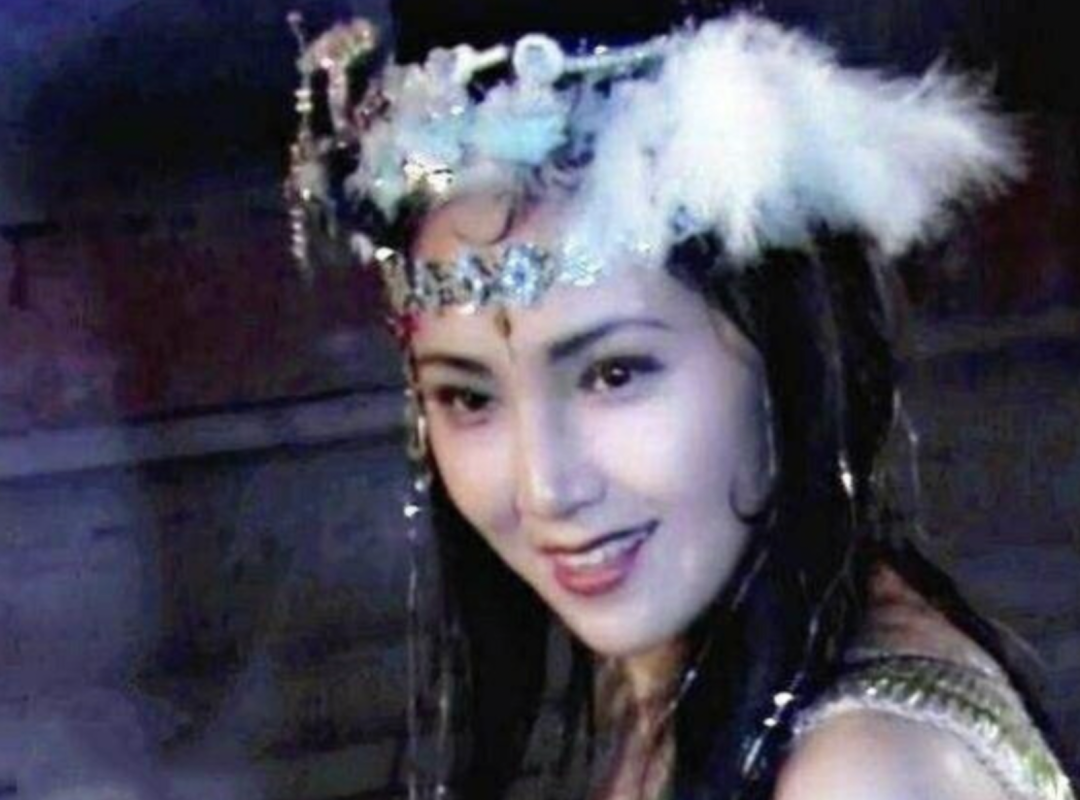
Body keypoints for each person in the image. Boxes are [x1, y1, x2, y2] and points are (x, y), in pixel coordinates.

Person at [286, 2, 1077, 798]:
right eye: (466, 396)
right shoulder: (668, 671)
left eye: (614, 375)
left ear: (786, 354)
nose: (545, 488)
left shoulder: (864, 772)